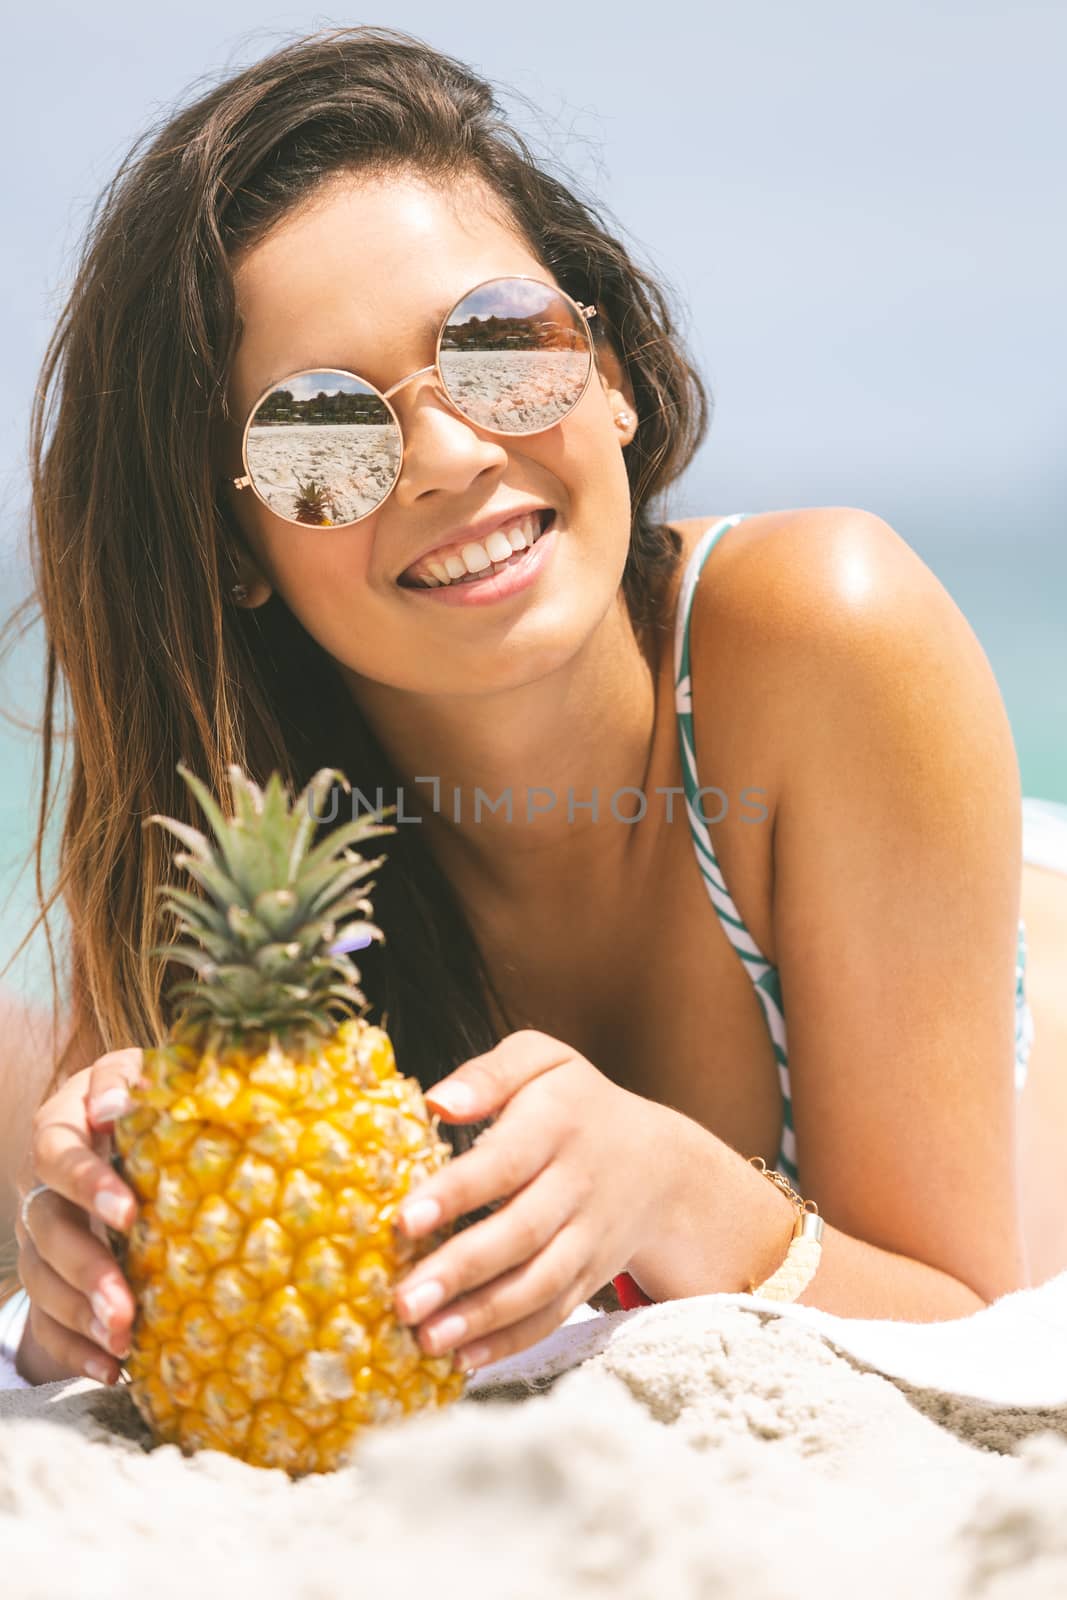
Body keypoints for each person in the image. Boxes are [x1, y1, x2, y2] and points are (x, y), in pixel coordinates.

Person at [2, 24, 1066, 1390]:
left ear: (610, 376)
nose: (446, 455)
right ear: (235, 549)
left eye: (503, 343)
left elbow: (981, 1329)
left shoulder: (828, 628)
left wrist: (677, 1190)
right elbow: (121, 1355)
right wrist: (80, 1300)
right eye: (320, 431)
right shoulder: (224, 820)